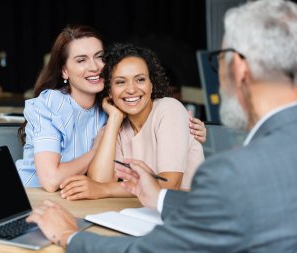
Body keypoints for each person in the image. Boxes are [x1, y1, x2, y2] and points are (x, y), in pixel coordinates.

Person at [26, 0, 297, 251]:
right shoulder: (105, 116)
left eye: (220, 59)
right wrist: (158, 196)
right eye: (119, 81)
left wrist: (69, 235)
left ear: (238, 68)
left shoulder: (229, 174)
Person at [16, 24, 206, 191]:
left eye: (99, 57)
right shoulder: (51, 104)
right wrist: (96, 150)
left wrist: (187, 132)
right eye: (81, 60)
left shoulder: (112, 106)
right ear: (64, 70)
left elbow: (100, 183)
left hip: (78, 200)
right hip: (34, 195)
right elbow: (52, 181)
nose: (94, 67)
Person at [59, 44, 204, 200]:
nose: (131, 89)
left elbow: (169, 186)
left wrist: (105, 189)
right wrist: (114, 118)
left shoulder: (169, 110)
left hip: (191, 213)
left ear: (151, 84)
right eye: (120, 82)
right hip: (147, 213)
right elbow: (99, 182)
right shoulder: (116, 127)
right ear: (109, 90)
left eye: (140, 79)